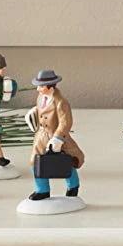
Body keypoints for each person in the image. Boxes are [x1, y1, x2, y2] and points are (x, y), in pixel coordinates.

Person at [28, 69, 85, 201]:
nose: (38, 89)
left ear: (49, 86)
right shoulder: (40, 98)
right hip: (41, 136)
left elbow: (65, 122)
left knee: (66, 161)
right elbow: (42, 112)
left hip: (57, 137)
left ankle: (73, 185)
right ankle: (42, 190)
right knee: (35, 162)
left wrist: (57, 139)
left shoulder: (61, 102)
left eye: (41, 86)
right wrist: (33, 114)